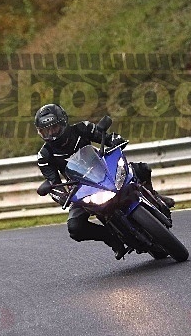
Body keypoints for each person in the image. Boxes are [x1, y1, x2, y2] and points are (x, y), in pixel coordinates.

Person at [33, 103, 175, 260]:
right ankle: (113, 240)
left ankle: (155, 196)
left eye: (54, 128)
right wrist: (61, 195)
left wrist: (115, 140)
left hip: (105, 171)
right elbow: (53, 182)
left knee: (142, 169)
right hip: (81, 189)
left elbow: (107, 138)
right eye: (46, 131)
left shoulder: (82, 128)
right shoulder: (44, 156)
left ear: (63, 122)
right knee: (75, 228)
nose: (51, 133)